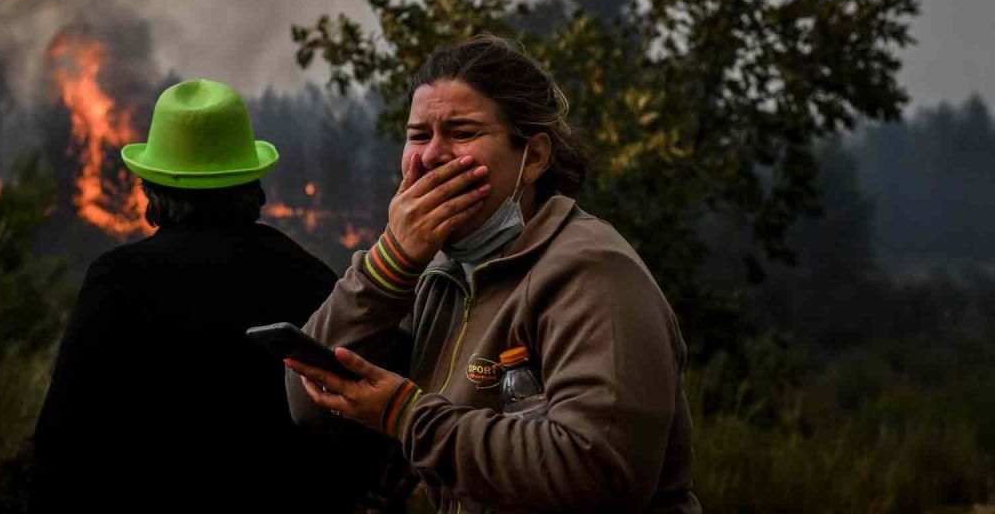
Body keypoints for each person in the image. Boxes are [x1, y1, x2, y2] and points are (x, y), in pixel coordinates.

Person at [285, 36, 701, 513]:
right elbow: (310, 400)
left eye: (462, 132)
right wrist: (389, 265)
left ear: (536, 157)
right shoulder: (439, 274)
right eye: (419, 135)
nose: (431, 156)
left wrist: (407, 416)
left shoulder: (591, 270)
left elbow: (598, 475)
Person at [29, 78, 378, 512]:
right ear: (250, 181)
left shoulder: (118, 280)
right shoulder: (308, 275)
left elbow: (63, 442)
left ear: (153, 187)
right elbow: (355, 428)